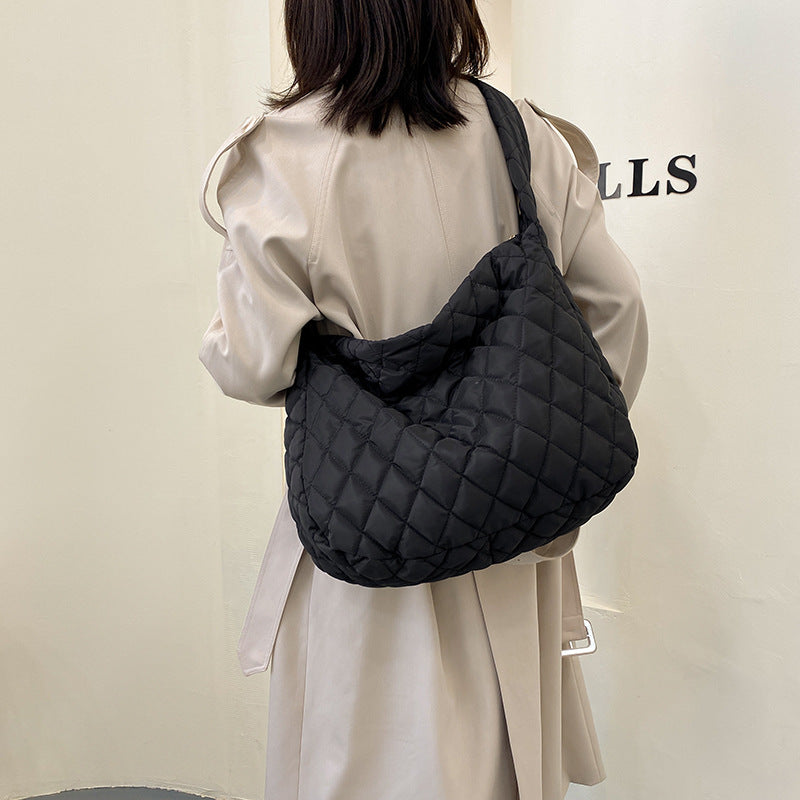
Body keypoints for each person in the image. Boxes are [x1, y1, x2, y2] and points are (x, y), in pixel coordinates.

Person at [197, 2, 649, 798]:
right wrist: (533, 445)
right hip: (512, 536)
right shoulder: (520, 135)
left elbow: (252, 364)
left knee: (366, 761)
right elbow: (615, 309)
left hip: (369, 533)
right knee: (504, 757)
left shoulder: (280, 157)